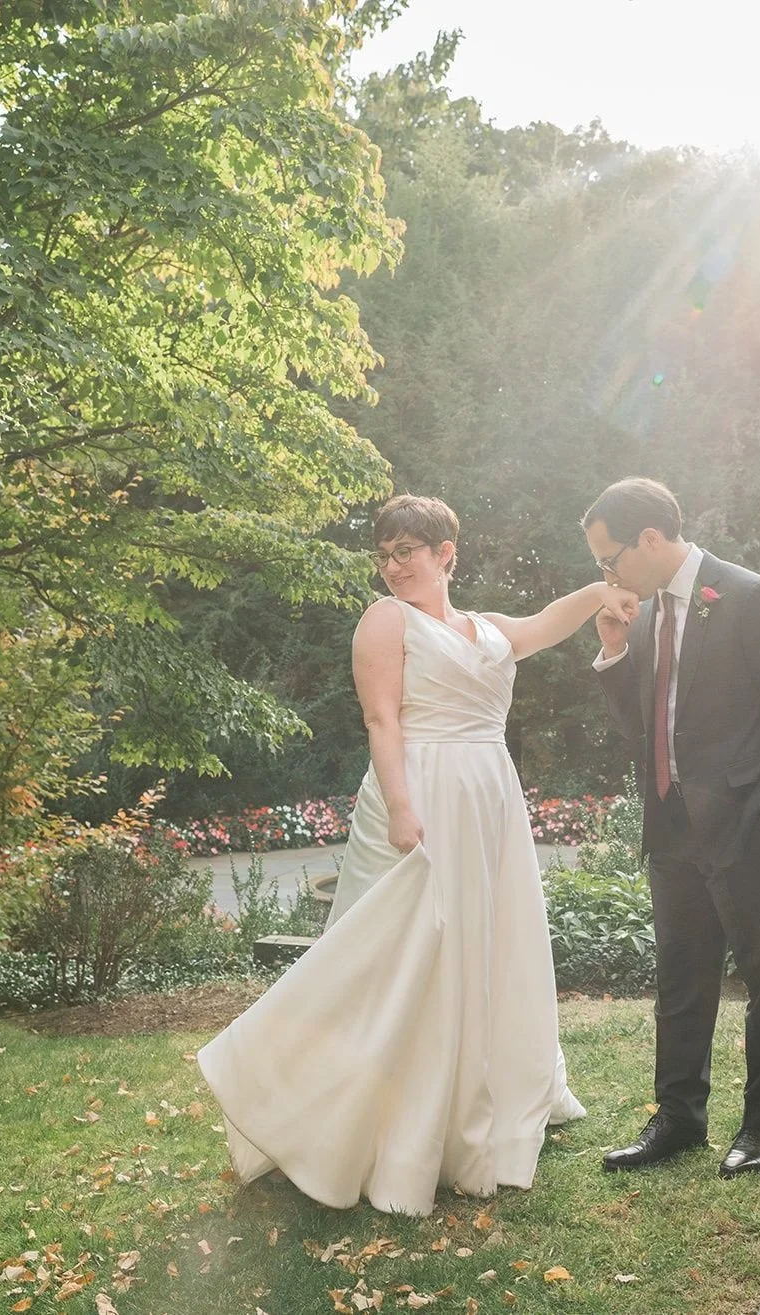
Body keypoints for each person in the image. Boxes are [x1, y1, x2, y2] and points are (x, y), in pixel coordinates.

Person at [198, 493, 639, 1216]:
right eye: (385, 553)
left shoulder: (487, 628)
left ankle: (475, 1097)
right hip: (421, 794)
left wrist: (597, 591)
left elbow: (541, 626)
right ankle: (352, 1113)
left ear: (445, 554)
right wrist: (402, 807)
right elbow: (380, 716)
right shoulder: (385, 619)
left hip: (488, 798)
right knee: (402, 953)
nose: (394, 565)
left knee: (483, 942)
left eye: (407, 550)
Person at [582, 477, 760, 1179]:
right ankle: (678, 1118)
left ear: (649, 539)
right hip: (672, 825)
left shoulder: (748, 595)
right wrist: (616, 650)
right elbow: (646, 729)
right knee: (681, 980)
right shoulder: (645, 614)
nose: (607, 574)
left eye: (610, 558)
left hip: (747, 824)